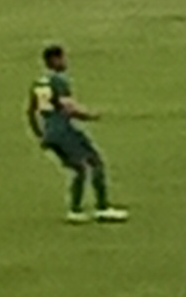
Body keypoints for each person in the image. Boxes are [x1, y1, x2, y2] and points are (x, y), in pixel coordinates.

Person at [27, 44, 127, 223]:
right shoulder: (58, 81)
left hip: (50, 133)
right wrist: (90, 116)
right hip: (64, 130)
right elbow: (68, 107)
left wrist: (40, 135)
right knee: (95, 161)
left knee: (78, 168)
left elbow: (31, 111)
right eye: (62, 58)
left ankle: (75, 210)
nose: (65, 62)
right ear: (54, 60)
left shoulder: (39, 83)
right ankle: (102, 208)